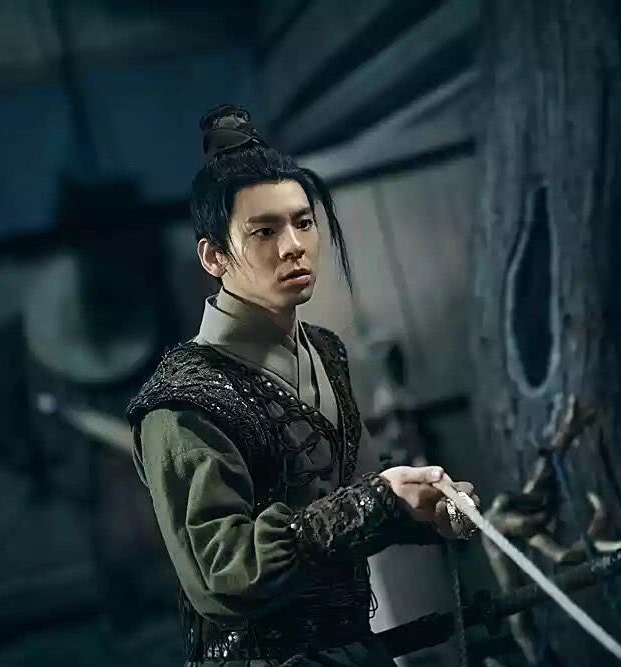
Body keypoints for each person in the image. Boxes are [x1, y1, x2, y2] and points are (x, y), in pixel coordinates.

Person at [125, 104, 479, 667]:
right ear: (214, 256)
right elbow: (224, 574)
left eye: (304, 222)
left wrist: (419, 506)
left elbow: (351, 494)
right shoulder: (183, 403)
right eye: (264, 231)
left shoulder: (325, 351)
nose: (293, 245)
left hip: (354, 647)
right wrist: (378, 501)